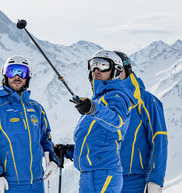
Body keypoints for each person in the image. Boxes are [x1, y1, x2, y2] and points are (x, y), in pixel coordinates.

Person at [0, 55, 58, 193]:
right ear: (5, 75)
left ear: (28, 77)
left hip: (36, 184)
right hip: (8, 184)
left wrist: (53, 160)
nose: (17, 77)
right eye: (12, 71)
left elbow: (45, 138)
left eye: (22, 72)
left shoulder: (36, 108)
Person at [56, 50, 136, 192]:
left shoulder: (118, 96)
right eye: (93, 65)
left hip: (104, 173)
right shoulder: (97, 100)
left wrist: (92, 108)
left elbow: (116, 122)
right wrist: (70, 151)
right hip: (88, 175)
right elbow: (95, 141)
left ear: (116, 70)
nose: (96, 70)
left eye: (103, 65)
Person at [114, 51, 168, 193]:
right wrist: (71, 151)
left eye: (118, 71)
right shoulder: (102, 103)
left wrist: (156, 180)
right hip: (106, 179)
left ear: (127, 71)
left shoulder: (146, 101)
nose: (114, 76)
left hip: (134, 180)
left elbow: (159, 140)